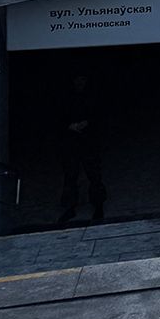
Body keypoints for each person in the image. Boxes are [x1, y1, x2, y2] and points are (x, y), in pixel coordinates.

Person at [57, 72, 106, 225]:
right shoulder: (66, 97)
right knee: (71, 175)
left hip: (88, 141)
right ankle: (70, 206)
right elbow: (58, 116)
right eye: (77, 79)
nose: (80, 82)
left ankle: (98, 204)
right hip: (71, 142)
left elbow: (99, 114)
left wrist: (87, 123)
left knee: (94, 174)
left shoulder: (91, 96)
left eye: (83, 79)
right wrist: (69, 126)